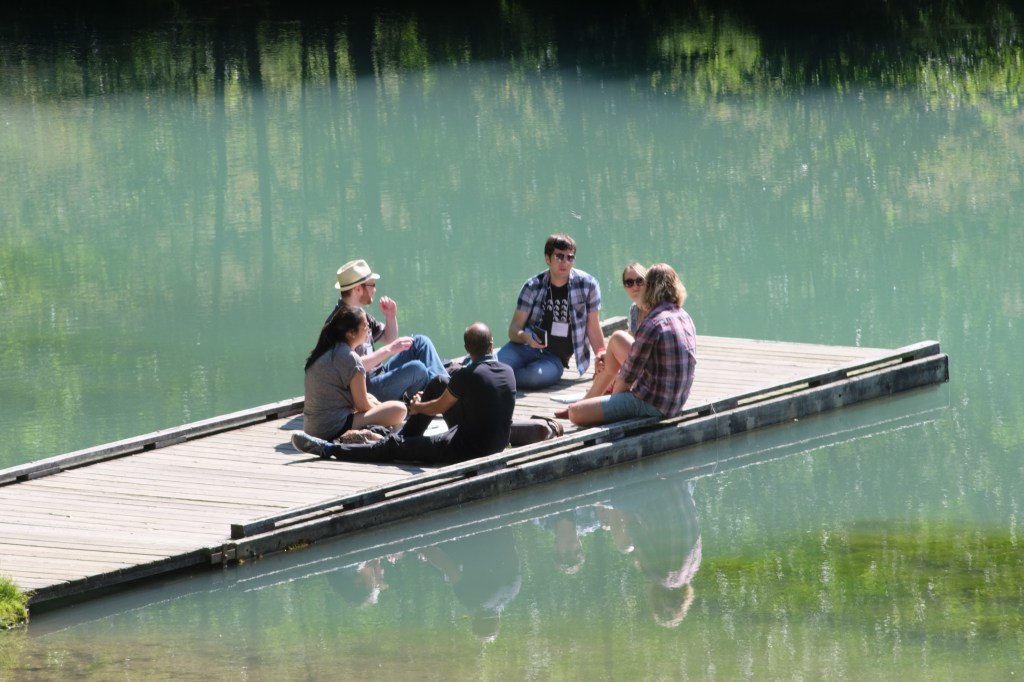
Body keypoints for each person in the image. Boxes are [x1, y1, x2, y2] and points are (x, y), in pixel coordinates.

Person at [292, 322, 516, 464]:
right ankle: (407, 435)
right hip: (495, 441)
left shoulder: (468, 376)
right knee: (438, 381)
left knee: (392, 447)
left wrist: (416, 407)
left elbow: (438, 407)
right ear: (491, 345)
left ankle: (331, 449)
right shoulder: (508, 371)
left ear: (467, 350)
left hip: (468, 449)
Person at [561, 263, 696, 427]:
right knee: (617, 339)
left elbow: (628, 376)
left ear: (650, 288)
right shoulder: (684, 316)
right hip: (676, 401)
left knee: (576, 412)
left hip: (653, 405)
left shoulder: (653, 322)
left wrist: (615, 404)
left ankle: (591, 399)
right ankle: (593, 397)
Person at [329, 258, 448, 403]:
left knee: (420, 342)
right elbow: (352, 367)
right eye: (372, 285)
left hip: (379, 374)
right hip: (365, 389)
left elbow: (389, 339)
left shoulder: (360, 313)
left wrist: (390, 317)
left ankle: (446, 389)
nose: (374, 290)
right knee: (418, 370)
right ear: (358, 289)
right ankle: (440, 397)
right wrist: (389, 350)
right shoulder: (339, 324)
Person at [496, 233, 605, 390]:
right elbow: (513, 330)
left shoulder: (588, 285)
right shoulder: (532, 286)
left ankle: (500, 378)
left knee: (533, 378)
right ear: (548, 258)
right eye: (559, 256)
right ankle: (493, 372)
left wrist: (603, 362)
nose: (565, 262)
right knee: (497, 366)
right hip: (524, 347)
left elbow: (593, 327)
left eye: (570, 257)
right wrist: (525, 337)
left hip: (554, 358)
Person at [299, 305, 407, 442]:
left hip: (311, 428)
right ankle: (384, 428)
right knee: (400, 409)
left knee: (370, 397)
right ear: (351, 333)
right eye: (365, 326)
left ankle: (386, 424)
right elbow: (362, 406)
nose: (368, 329)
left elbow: (362, 401)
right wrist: (382, 410)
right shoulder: (350, 358)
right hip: (331, 429)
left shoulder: (327, 349)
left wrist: (378, 408)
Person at [580, 262, 648, 401]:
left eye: (639, 281)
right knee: (605, 361)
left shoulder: (654, 309)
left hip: (650, 368)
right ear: (624, 287)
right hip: (638, 363)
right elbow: (632, 344)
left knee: (616, 339)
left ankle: (589, 402)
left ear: (648, 282)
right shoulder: (634, 310)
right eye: (629, 282)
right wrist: (606, 357)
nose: (635, 286)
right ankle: (588, 402)